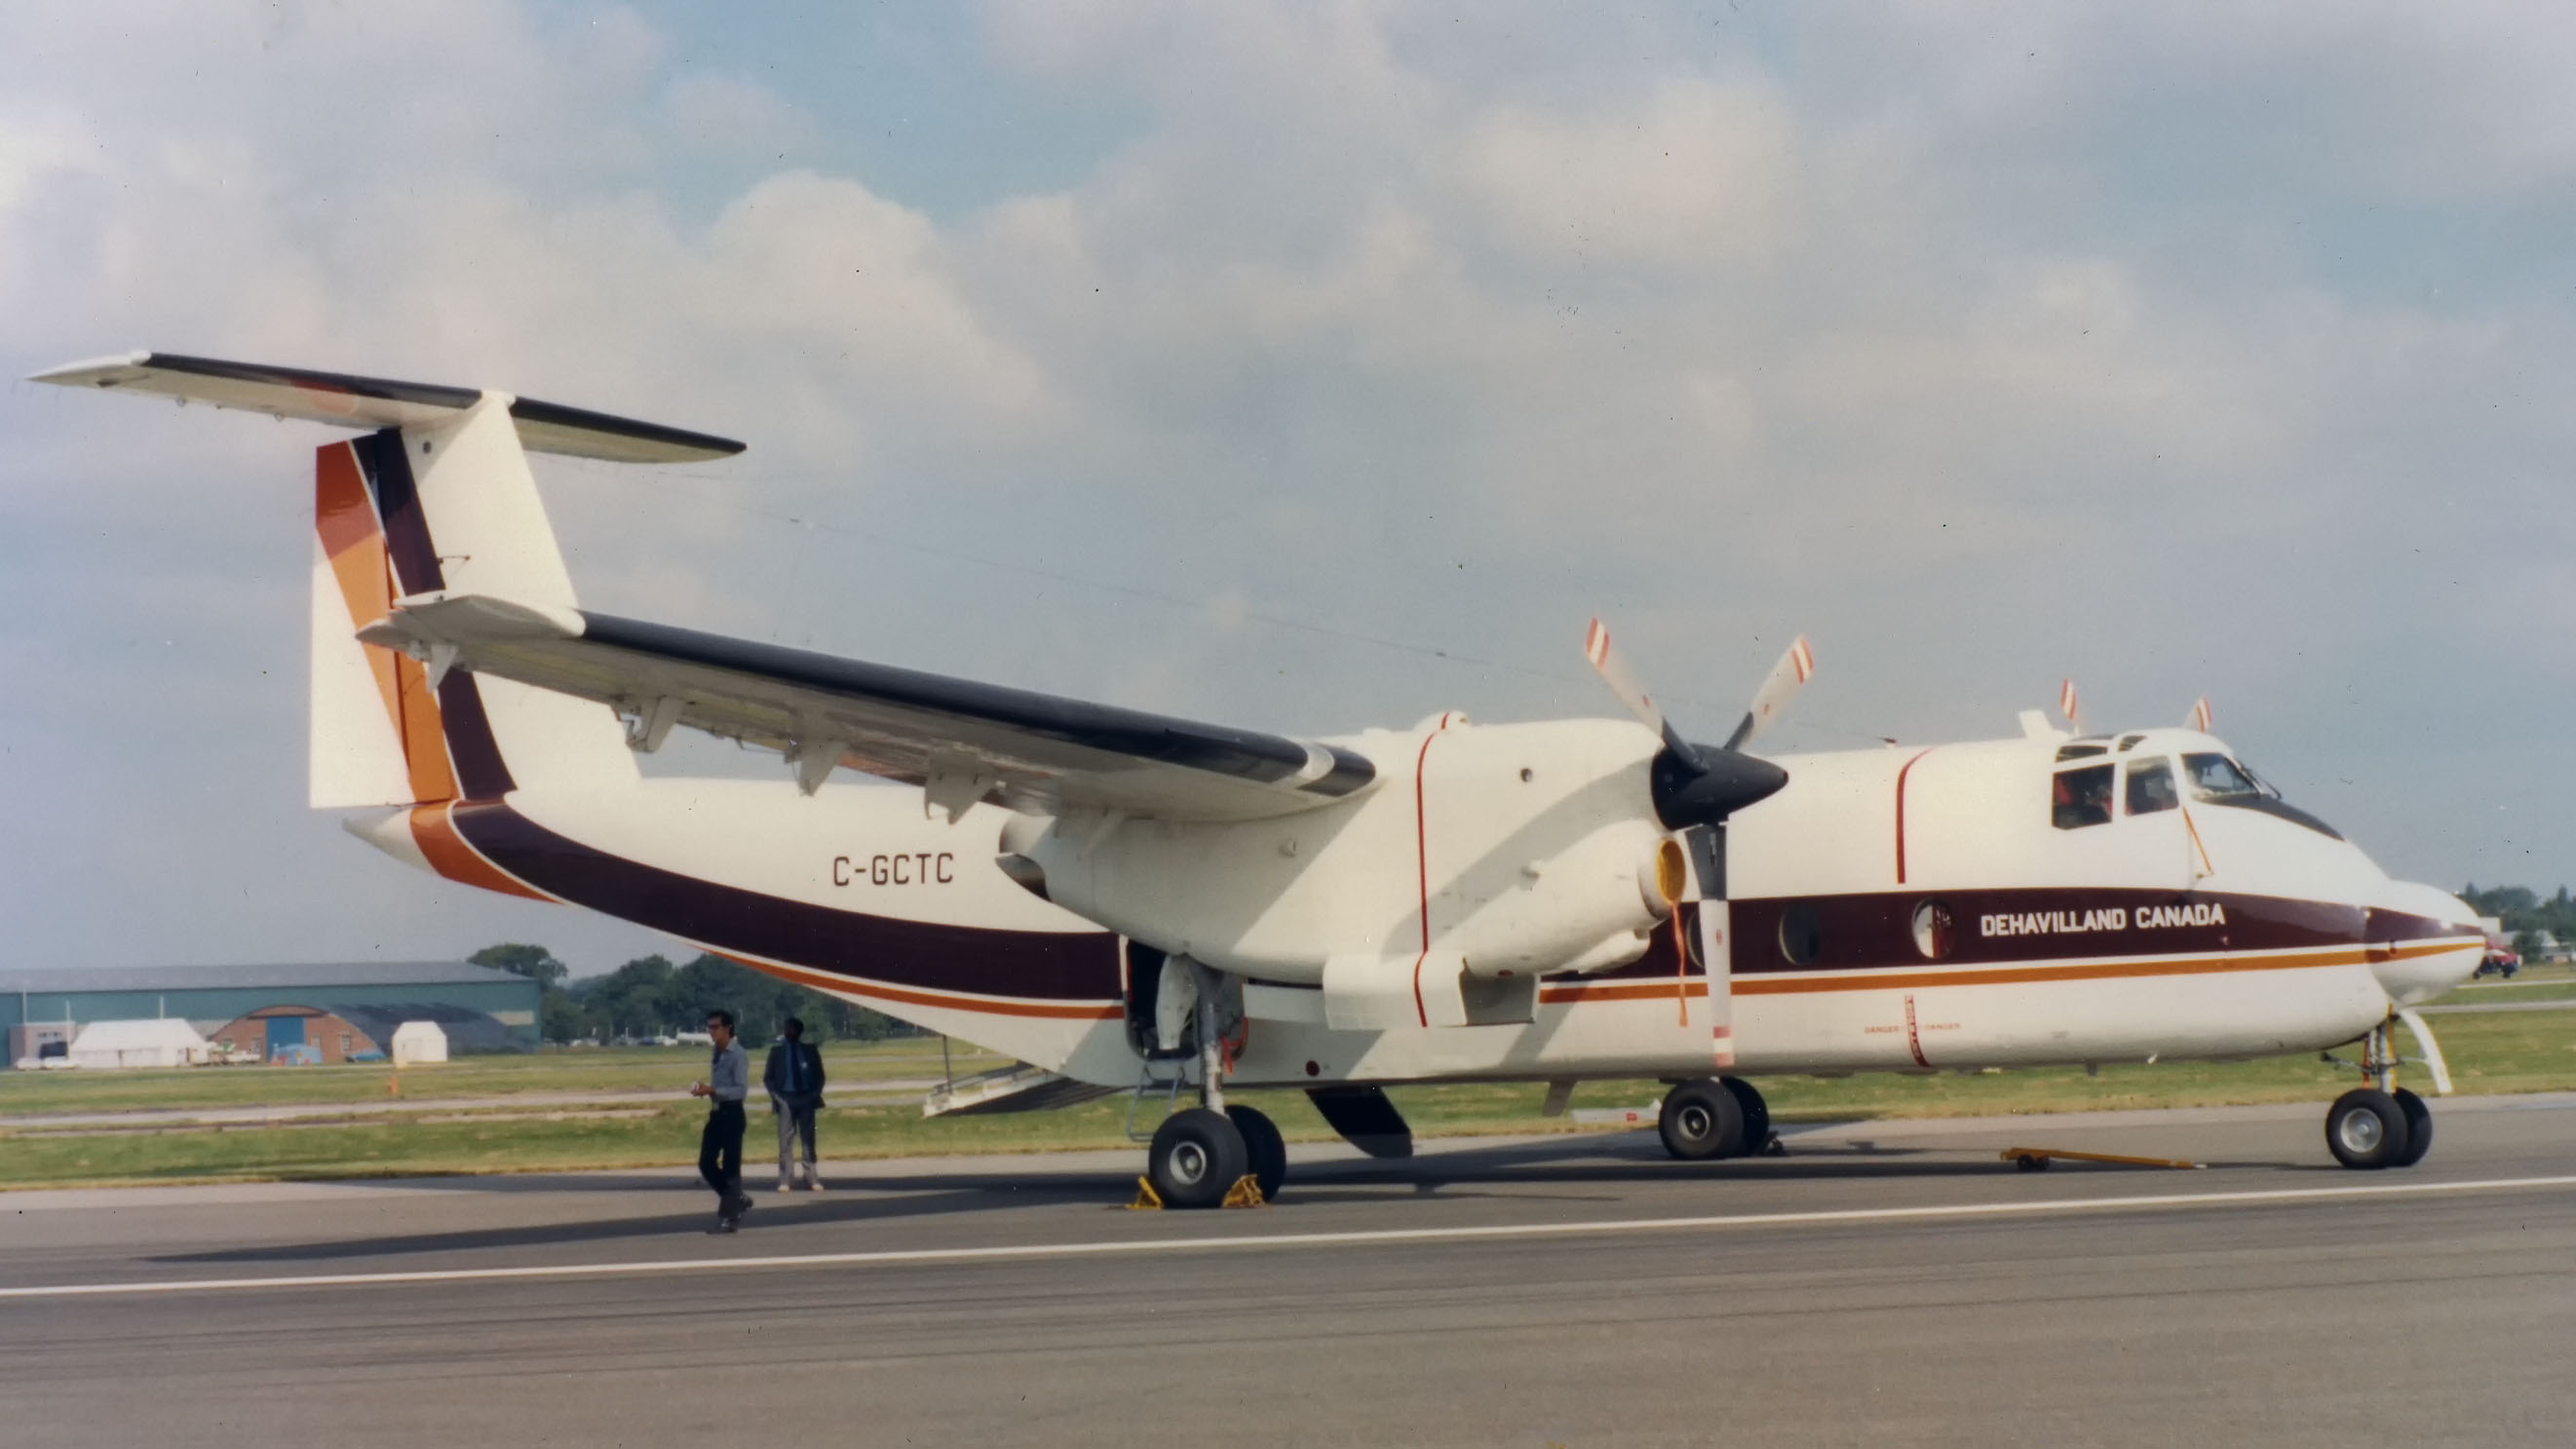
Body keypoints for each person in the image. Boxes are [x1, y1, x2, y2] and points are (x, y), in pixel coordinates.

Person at [688, 1010, 751, 1233]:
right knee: (706, 1162)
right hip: (716, 1113)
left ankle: (730, 1215)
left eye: (715, 1027)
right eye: (710, 1027)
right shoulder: (716, 1052)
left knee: (731, 1167)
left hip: (732, 1113)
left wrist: (714, 1089)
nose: (711, 1031)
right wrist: (705, 1090)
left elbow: (741, 1091)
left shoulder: (738, 1054)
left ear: (728, 1029)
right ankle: (737, 1199)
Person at [763, 1015, 828, 1192]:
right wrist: (776, 1097)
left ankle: (811, 1178)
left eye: (792, 1028)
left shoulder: (809, 1050)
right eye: (787, 1028)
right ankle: (785, 1179)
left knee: (808, 1139)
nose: (788, 1031)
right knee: (785, 1140)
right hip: (785, 1097)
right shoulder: (776, 1052)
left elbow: (820, 1075)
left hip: (806, 1096)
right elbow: (768, 1078)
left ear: (799, 1031)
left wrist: (814, 1093)